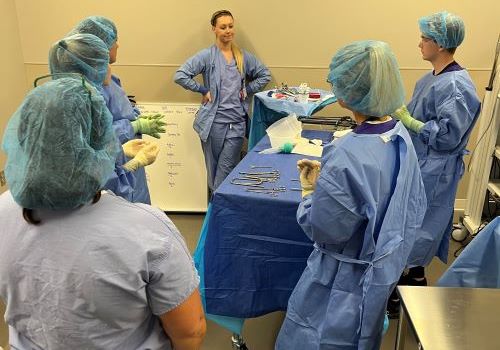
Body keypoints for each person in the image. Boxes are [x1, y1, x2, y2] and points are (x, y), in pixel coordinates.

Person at [0, 55, 205, 349]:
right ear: (101, 141)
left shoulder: (4, 209)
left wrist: (120, 159)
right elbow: (190, 332)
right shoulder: (148, 231)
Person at [275, 40, 427, 349]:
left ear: (349, 92)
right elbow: (411, 207)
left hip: (340, 284)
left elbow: (326, 229)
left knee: (318, 338)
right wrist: (330, 185)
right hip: (382, 275)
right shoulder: (400, 137)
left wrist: (310, 194)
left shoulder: (346, 154)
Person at [389, 11, 481, 306]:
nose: (419, 44)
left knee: (422, 226)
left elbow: (447, 137)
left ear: (440, 44)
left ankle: (409, 286)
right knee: (411, 222)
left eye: (424, 39)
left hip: (436, 169)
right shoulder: (430, 79)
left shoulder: (456, 86)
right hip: (420, 162)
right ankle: (414, 277)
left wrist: (413, 124)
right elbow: (416, 114)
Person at [49, 32, 161, 203]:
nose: (109, 67)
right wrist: (133, 165)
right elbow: (102, 185)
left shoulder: (56, 99)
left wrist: (121, 150)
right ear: (90, 68)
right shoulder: (86, 106)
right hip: (91, 208)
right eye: (104, 62)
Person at [174, 9, 271, 192]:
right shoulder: (207, 56)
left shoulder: (242, 57)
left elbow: (264, 75)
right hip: (213, 126)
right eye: (223, 27)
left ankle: (217, 211)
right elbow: (180, 75)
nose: (228, 31)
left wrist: (248, 89)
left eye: (231, 26)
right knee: (213, 176)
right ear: (214, 29)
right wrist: (202, 89)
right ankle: (215, 213)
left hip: (236, 125)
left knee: (224, 174)